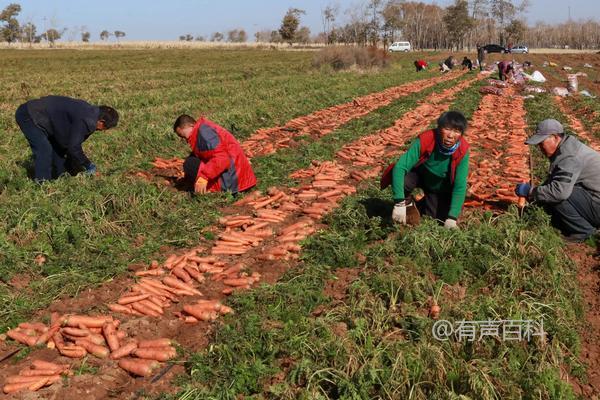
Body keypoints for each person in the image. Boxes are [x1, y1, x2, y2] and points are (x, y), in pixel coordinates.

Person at [515, 119, 600, 242]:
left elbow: (558, 192)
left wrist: (530, 192)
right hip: (593, 198)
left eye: (541, 143)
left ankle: (583, 230)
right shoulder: (567, 147)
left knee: (557, 193)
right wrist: (534, 200)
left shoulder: (570, 157)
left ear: (555, 137)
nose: (540, 148)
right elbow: (554, 181)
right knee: (553, 190)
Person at [383, 111, 470, 229]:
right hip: (420, 176)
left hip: (441, 187)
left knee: (436, 219)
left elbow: (460, 185)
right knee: (403, 179)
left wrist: (452, 217)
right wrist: (399, 202)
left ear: (461, 134)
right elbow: (400, 167)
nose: (451, 135)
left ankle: (420, 205)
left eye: (456, 131)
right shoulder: (427, 138)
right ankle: (407, 203)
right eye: (447, 129)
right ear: (439, 128)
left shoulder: (463, 150)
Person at [15, 96, 119, 182]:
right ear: (101, 121)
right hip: (29, 115)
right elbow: (74, 147)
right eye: (105, 127)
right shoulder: (88, 121)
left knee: (59, 150)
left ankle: (62, 179)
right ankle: (42, 185)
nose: (103, 130)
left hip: (47, 118)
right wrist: (88, 164)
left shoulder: (91, 112)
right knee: (44, 149)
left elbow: (66, 143)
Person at [173, 114, 256, 194]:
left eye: (182, 136)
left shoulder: (204, 133)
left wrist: (204, 176)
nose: (185, 140)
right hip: (238, 176)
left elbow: (222, 159)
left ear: (190, 125)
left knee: (190, 164)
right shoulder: (203, 129)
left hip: (234, 182)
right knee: (192, 158)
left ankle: (208, 189)